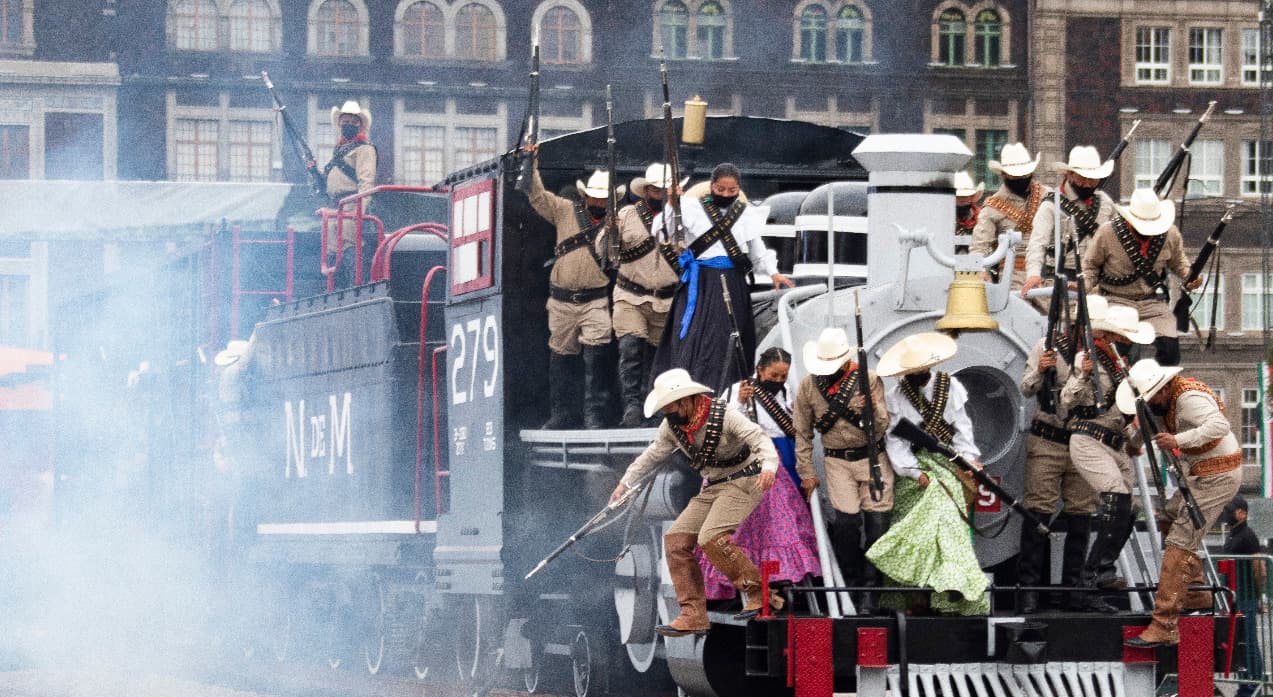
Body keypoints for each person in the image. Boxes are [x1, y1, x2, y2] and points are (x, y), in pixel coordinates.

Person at [610, 368, 779, 636]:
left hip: (746, 479)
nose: (667, 412)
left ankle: (760, 592)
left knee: (711, 537)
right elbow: (652, 455)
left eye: (670, 406)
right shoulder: (672, 426)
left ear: (685, 400)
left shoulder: (724, 415)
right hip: (714, 485)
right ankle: (692, 614)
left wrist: (769, 466)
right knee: (675, 540)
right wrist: (625, 483)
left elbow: (758, 438)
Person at [1121, 359, 1243, 647]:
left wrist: (1177, 439)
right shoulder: (1166, 402)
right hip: (1201, 474)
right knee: (1169, 514)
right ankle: (1197, 591)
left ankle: (1164, 623)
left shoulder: (1188, 399)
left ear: (1161, 390)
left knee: (1180, 540)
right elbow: (1152, 428)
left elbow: (1218, 425)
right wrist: (1136, 439)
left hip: (1218, 474)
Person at [869, 331, 988, 616]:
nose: (917, 375)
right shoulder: (897, 396)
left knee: (948, 519)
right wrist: (912, 472)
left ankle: (950, 593)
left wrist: (970, 460)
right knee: (910, 524)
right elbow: (895, 442)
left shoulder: (951, 387)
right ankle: (913, 598)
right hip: (916, 464)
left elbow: (962, 427)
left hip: (948, 461)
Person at [650, 163, 794, 392]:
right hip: (702, 282)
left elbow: (757, 249)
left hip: (734, 280)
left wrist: (773, 272)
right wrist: (671, 204)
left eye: (732, 191)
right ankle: (690, 389)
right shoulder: (690, 207)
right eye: (720, 190)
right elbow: (661, 230)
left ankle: (730, 390)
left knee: (729, 336)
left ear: (739, 189)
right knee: (696, 336)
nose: (726, 195)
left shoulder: (746, 213)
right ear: (711, 186)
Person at [696, 348, 821, 605]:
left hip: (782, 461)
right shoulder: (736, 391)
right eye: (773, 374)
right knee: (746, 528)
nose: (777, 380)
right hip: (750, 462)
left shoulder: (788, 393)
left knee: (781, 524)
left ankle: (781, 577)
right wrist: (740, 403)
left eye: (782, 375)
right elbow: (722, 427)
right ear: (760, 370)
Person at [1061, 299, 1155, 612]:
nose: (1129, 343)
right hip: (1088, 438)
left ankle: (1104, 570)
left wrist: (1135, 426)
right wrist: (1082, 375)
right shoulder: (1088, 358)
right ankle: (1086, 584)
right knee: (1115, 497)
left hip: (1114, 442)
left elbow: (1120, 413)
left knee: (1130, 507)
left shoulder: (1119, 364)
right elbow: (1067, 400)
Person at [793, 328, 893, 614]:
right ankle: (850, 584)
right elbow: (802, 433)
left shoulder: (869, 379)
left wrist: (871, 409)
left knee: (877, 529)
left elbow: (882, 426)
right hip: (837, 461)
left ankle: (870, 593)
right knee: (847, 527)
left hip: (872, 458)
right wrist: (807, 472)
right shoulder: (808, 387)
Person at [527, 152, 620, 430]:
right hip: (562, 300)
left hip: (596, 300)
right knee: (560, 358)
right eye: (596, 197)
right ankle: (562, 413)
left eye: (605, 198)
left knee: (598, 357)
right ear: (586, 196)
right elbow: (538, 196)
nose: (600, 202)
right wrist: (531, 164)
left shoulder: (618, 222)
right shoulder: (566, 210)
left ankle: (594, 415)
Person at [1016, 308, 1097, 613]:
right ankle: (1029, 591)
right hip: (1048, 438)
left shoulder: (1100, 355)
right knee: (1037, 513)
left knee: (1082, 514)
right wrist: (1039, 369)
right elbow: (1026, 387)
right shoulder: (1046, 346)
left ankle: (1073, 590)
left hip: (1083, 440)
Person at [1082, 187, 1200, 367]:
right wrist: (1083, 286)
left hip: (1151, 302)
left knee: (1170, 351)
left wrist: (1189, 276)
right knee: (1118, 353)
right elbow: (1091, 266)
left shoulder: (1170, 234)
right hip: (1115, 300)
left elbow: (1178, 262)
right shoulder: (1107, 233)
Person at [615, 163, 684, 427]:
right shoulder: (628, 214)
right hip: (630, 297)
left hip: (667, 300)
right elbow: (604, 251)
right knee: (630, 349)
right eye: (655, 189)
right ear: (646, 191)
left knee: (660, 359)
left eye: (664, 190)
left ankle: (654, 407)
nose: (659, 194)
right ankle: (632, 407)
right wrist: (611, 231)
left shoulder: (682, 217)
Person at [1021, 146, 1117, 302]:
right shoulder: (1051, 205)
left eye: (1093, 179)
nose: (1087, 184)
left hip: (1097, 283)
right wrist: (1033, 274)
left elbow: (1118, 237)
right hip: (1061, 280)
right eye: (1083, 177)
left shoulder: (1105, 202)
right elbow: (1037, 244)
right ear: (1069, 174)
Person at [972, 142, 1049, 288]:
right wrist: (979, 270)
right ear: (1004, 175)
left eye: (1025, 175)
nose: (1021, 180)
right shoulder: (993, 206)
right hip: (1012, 275)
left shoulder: (1047, 195)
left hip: (1048, 272)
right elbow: (979, 246)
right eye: (1015, 176)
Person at [319, 100, 378, 288]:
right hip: (335, 207)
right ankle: (335, 290)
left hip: (351, 206)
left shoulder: (364, 148)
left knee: (350, 249)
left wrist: (359, 210)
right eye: (345, 121)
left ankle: (355, 288)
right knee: (332, 253)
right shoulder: (340, 150)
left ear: (360, 124)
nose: (348, 124)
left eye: (353, 121)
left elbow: (366, 182)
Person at [1220, 495, 1266, 697]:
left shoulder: (1247, 535)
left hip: (1245, 596)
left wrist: (1259, 596)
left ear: (1243, 513)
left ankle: (1252, 685)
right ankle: (1248, 683)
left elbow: (1260, 568)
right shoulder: (1233, 534)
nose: (1228, 513)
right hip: (1235, 597)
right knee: (1242, 641)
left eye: (1232, 509)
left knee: (1248, 641)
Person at [953, 171, 984, 255]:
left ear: (972, 197)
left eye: (966, 196)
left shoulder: (981, 218)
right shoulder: (944, 217)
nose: (962, 200)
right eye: (958, 197)